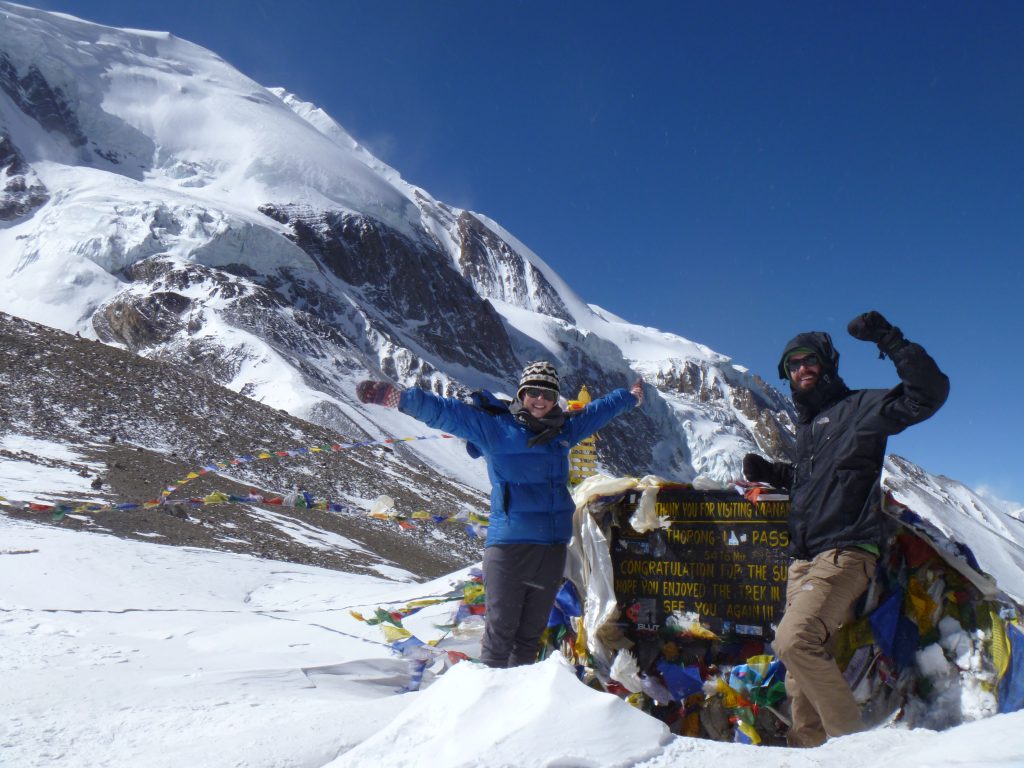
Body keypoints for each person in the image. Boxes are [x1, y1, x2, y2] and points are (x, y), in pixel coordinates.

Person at [742, 311, 949, 747]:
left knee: (793, 643)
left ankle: (854, 752)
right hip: (805, 561)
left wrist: (890, 339)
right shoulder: (807, 431)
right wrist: (775, 474)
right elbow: (814, 485)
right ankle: (808, 749)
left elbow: (927, 395)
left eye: (808, 359)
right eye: (792, 364)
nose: (801, 369)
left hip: (845, 554)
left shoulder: (861, 409)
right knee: (803, 672)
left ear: (826, 363)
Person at [357, 361, 643, 668]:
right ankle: (489, 702)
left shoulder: (564, 430)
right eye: (533, 391)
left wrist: (631, 397)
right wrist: (397, 398)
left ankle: (515, 707)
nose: (540, 399)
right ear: (521, 393)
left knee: (529, 637)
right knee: (499, 633)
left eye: (547, 392)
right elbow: (444, 412)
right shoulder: (493, 426)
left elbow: (599, 411)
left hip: (551, 548)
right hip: (509, 545)